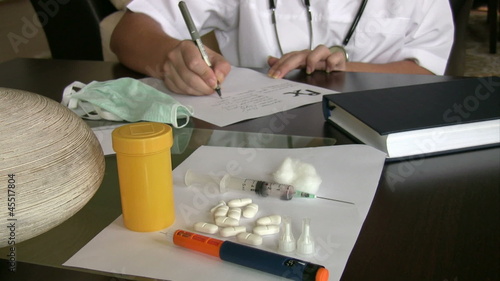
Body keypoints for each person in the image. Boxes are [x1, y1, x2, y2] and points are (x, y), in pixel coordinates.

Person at [111, 0, 454, 96]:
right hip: (256, 136)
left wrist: (342, 68)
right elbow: (129, 31)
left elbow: (427, 69)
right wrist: (169, 57)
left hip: (380, 138)